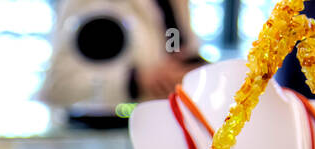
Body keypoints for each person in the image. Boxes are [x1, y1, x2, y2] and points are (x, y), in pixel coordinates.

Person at [40, 0, 206, 111]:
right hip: (110, 139)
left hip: (164, 128)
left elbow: (180, 49)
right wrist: (137, 80)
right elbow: (59, 85)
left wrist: (194, 71)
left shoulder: (175, 4)